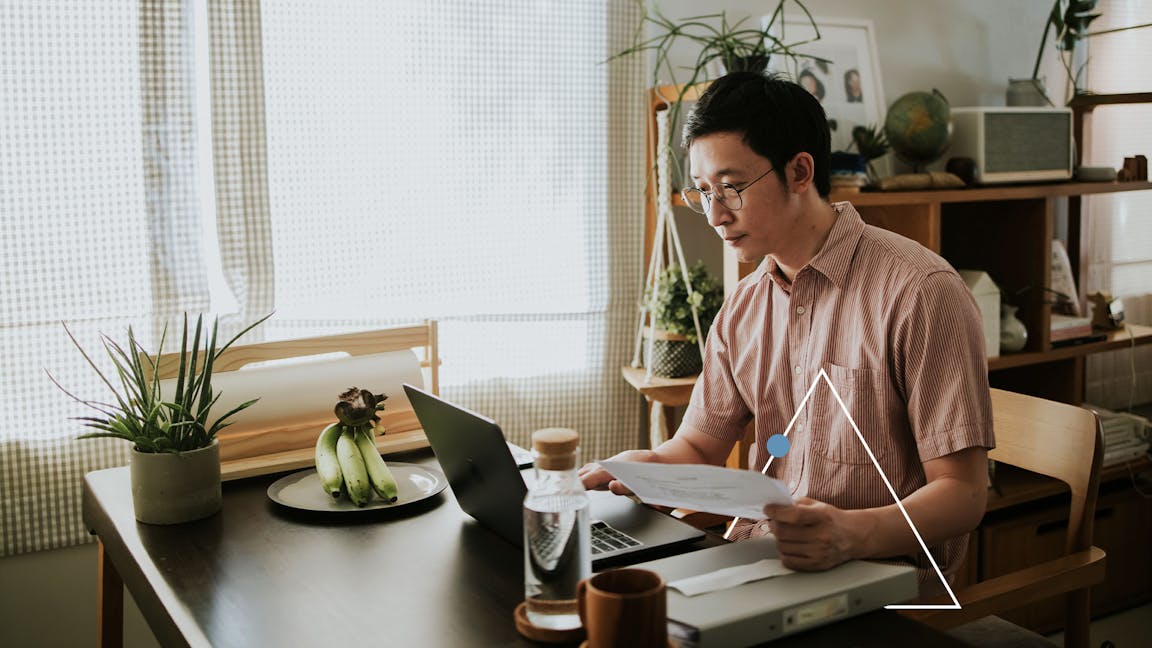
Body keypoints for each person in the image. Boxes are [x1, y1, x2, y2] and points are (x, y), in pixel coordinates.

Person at [580, 72, 994, 597]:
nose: (715, 215)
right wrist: (645, 468)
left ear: (799, 172)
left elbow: (964, 495)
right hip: (760, 561)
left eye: (731, 188)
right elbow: (701, 447)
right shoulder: (746, 307)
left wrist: (851, 535)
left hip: (882, 582)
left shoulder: (920, 292)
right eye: (703, 193)